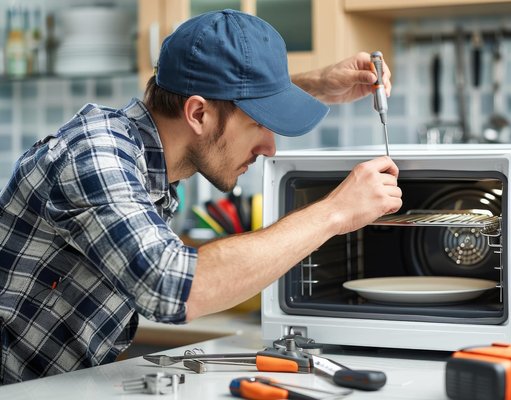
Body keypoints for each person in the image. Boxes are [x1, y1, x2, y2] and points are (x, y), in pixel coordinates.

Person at [0, 9, 401, 384]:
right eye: (259, 124)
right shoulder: (95, 153)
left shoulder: (149, 147)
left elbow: (222, 100)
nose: (270, 148)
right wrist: (334, 211)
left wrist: (309, 85)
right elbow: (172, 285)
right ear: (196, 115)